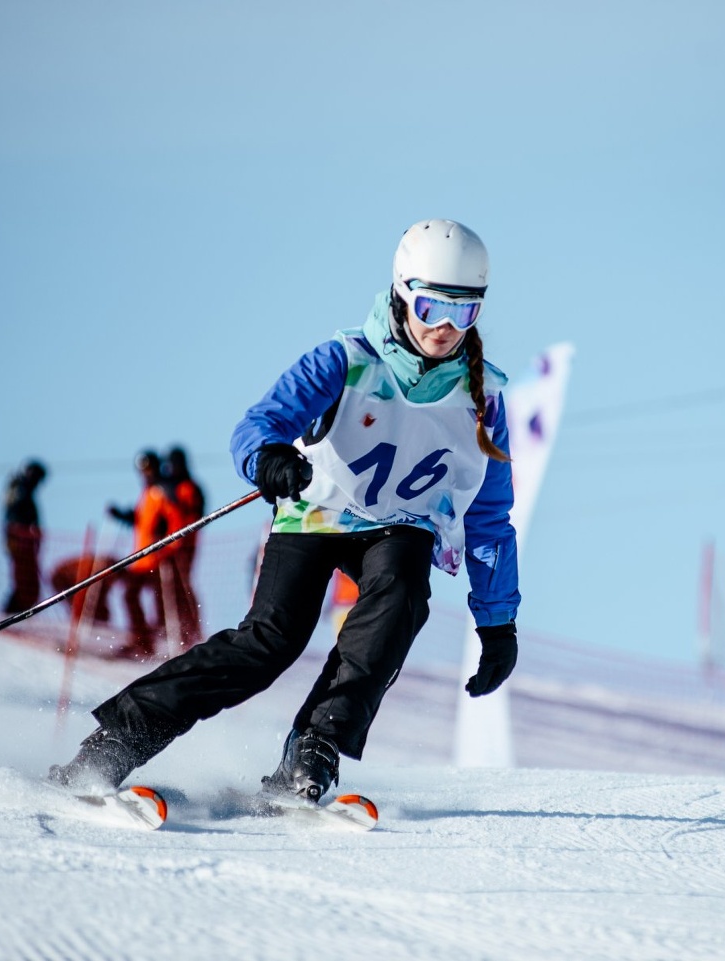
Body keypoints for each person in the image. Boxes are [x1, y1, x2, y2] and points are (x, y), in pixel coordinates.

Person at [51, 219, 521, 803]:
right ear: (402, 294)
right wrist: (268, 459)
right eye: (431, 308)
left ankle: (313, 751)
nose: (445, 328)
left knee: (400, 595)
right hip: (318, 514)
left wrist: (497, 621)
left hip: (401, 524)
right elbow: (260, 425)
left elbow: (489, 519)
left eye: (464, 313)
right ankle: (113, 745)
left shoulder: (483, 400)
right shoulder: (345, 360)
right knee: (272, 640)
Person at [107, 450, 186, 658]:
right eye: (142, 470)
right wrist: (121, 515)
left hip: (158, 559)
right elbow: (142, 520)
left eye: (148, 468)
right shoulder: (148, 492)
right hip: (142, 559)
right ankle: (142, 642)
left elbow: (177, 522)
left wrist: (168, 548)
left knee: (164, 601)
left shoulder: (163, 490)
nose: (145, 473)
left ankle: (173, 642)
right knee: (131, 595)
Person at [162, 446, 205, 647]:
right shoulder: (171, 487)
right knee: (170, 587)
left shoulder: (190, 487)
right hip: (170, 546)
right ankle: (172, 628)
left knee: (183, 586)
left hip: (185, 546)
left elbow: (195, 515)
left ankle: (191, 629)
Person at [1, 460, 47, 614]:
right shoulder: (19, 490)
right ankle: (12, 613)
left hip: (25, 542)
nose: (37, 483)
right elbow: (13, 516)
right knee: (24, 582)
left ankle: (18, 612)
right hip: (20, 541)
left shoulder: (25, 492)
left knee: (28, 583)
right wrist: (17, 536)